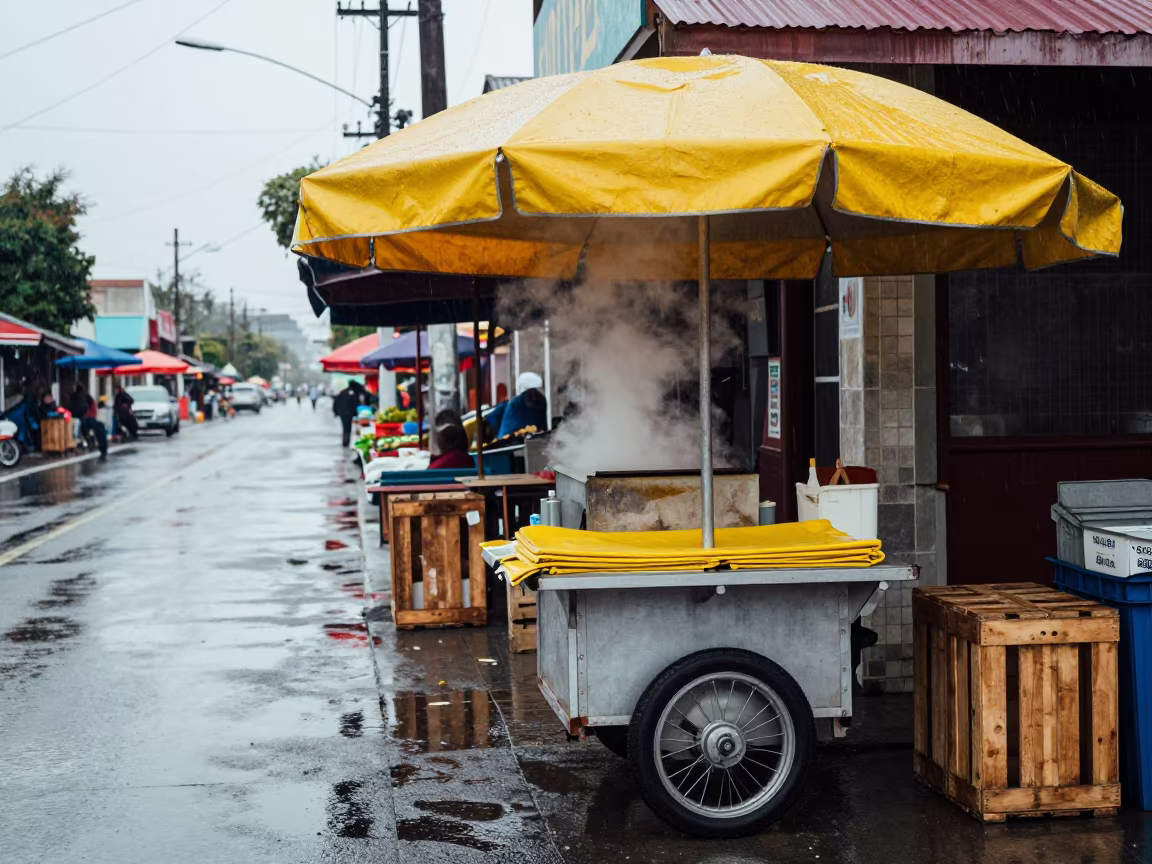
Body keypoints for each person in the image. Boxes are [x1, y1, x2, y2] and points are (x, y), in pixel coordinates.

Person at [486, 371, 548, 440]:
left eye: (534, 392)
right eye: (530, 393)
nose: (533, 397)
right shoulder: (515, 404)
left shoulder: (540, 401)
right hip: (510, 441)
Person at [69, 383, 108, 459]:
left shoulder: (75, 398)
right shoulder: (86, 397)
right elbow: (90, 409)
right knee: (100, 427)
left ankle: (93, 443)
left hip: (80, 419)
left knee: (96, 427)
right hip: (85, 419)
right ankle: (102, 447)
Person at [332, 383, 360, 447]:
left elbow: (336, 403)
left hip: (343, 413)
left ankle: (345, 441)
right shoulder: (352, 394)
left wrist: (336, 412)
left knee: (345, 427)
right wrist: (355, 413)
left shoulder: (342, 393)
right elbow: (355, 404)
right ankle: (346, 440)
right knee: (348, 427)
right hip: (348, 413)